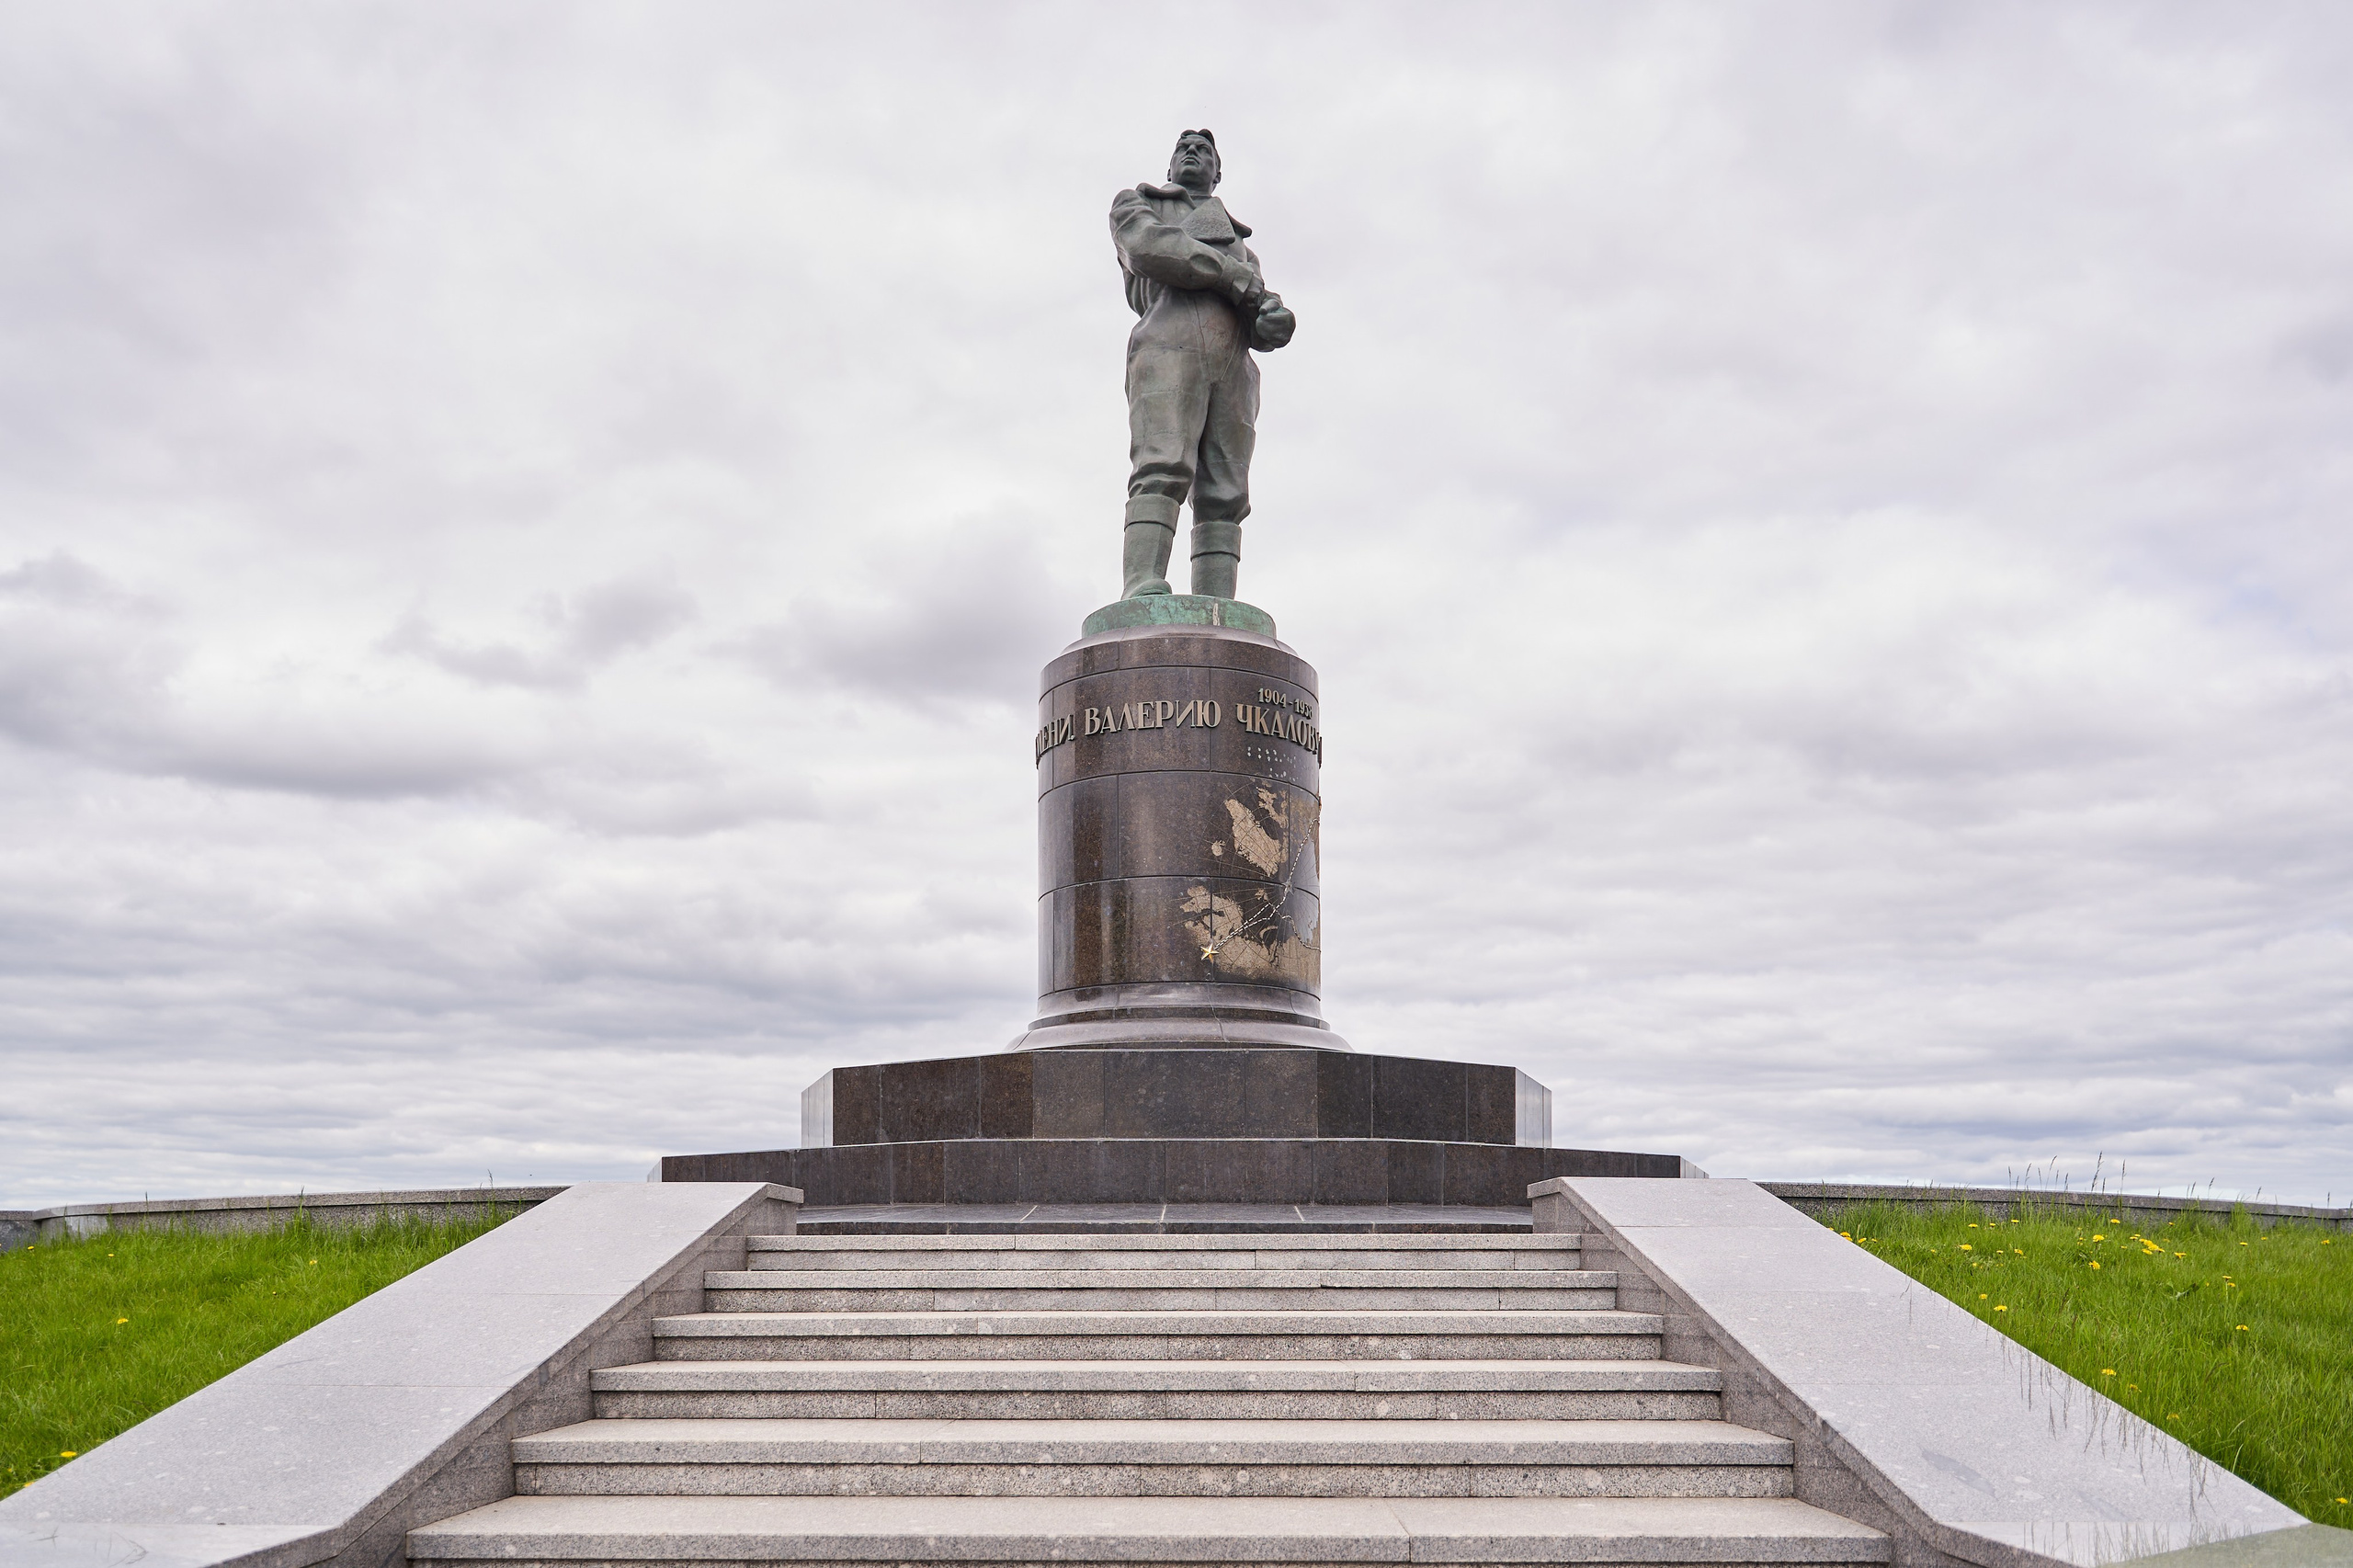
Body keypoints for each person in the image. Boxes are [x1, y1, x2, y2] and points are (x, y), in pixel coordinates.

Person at [1108, 130, 1295, 600]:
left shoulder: (1243, 247)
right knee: (1162, 464)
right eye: (1183, 148)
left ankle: (1217, 608)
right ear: (1170, 167)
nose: (1193, 153)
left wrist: (1271, 319)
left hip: (1233, 365)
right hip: (1167, 346)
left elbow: (1253, 314)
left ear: (1218, 172)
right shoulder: (1138, 206)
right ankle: (1141, 585)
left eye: (1205, 151)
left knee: (1225, 494)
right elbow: (1151, 248)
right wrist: (1234, 277)